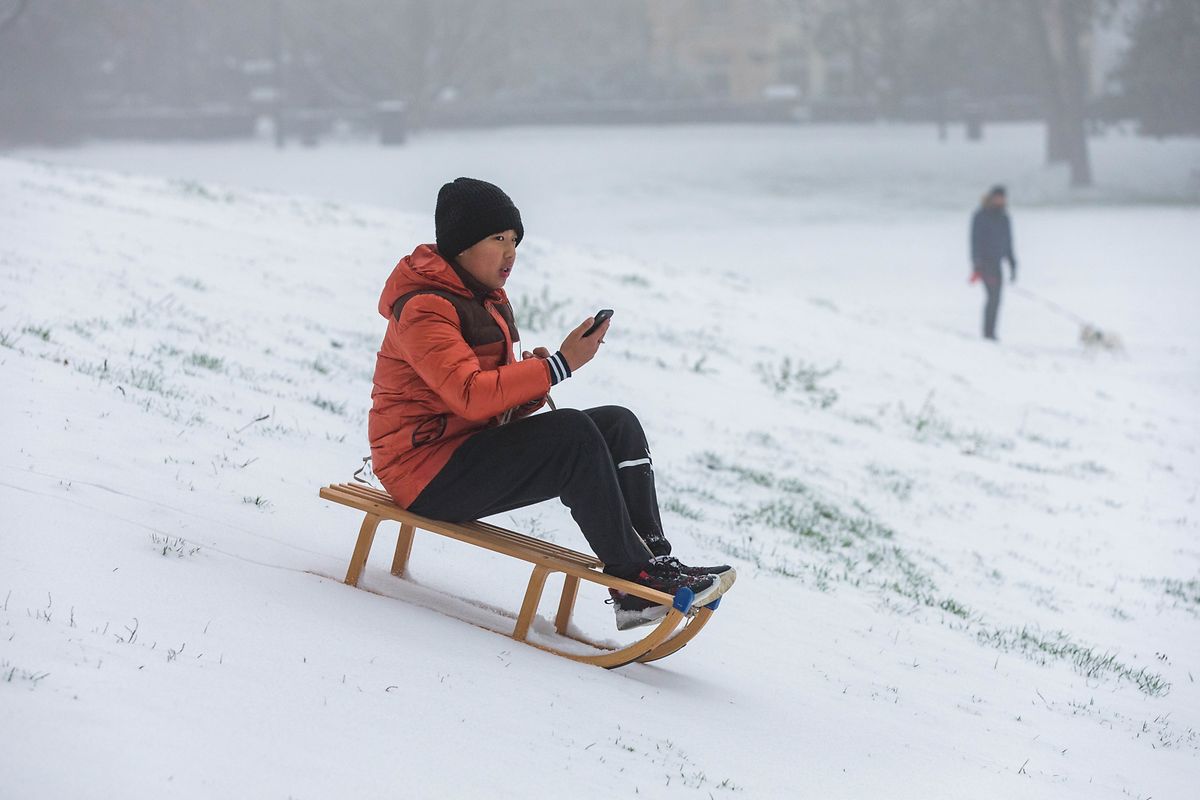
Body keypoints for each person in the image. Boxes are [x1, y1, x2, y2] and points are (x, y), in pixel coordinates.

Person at [368, 177, 735, 630]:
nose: (510, 253)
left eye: (515, 240)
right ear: (461, 245)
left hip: (460, 452)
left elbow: (487, 403)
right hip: (421, 471)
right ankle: (634, 578)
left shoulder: (482, 300)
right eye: (497, 239)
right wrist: (557, 366)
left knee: (617, 423)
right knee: (572, 434)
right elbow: (469, 395)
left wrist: (531, 384)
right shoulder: (426, 307)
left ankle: (653, 563)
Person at [970, 185, 1017, 341]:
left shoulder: (1004, 218)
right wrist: (977, 263)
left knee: (997, 299)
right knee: (993, 297)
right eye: (998, 197)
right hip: (985, 264)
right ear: (992, 197)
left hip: (997, 264)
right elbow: (975, 241)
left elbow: (1009, 242)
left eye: (1002, 198)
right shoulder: (981, 216)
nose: (1000, 200)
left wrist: (1012, 264)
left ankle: (991, 332)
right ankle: (988, 333)